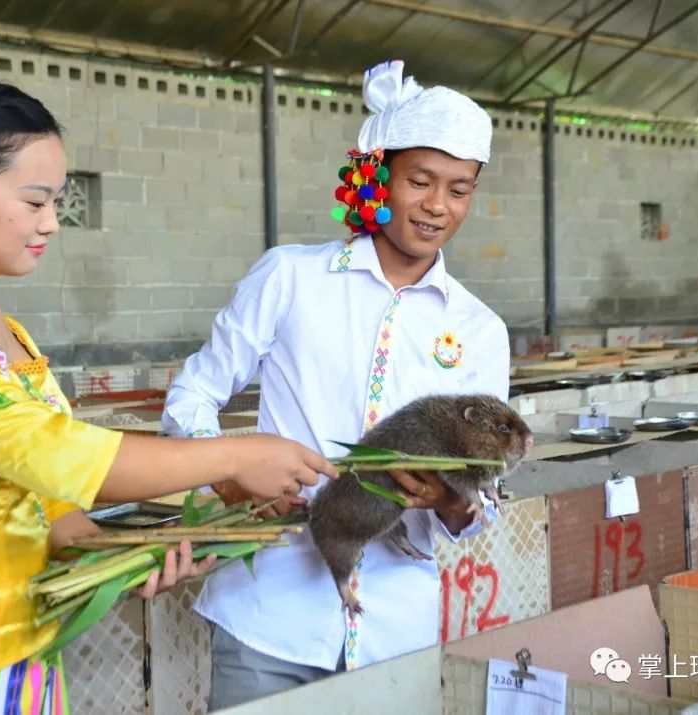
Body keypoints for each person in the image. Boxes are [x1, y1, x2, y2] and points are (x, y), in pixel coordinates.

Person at [0, 81, 338, 714]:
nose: (51, 222)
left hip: (28, 662)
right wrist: (234, 456)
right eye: (34, 201)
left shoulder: (1, 330)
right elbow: (61, 457)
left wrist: (133, 556)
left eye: (57, 202)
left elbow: (50, 508)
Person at [161, 59, 512, 710]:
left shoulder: (479, 330)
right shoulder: (290, 278)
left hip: (395, 632)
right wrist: (227, 476)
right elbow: (190, 397)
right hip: (270, 619)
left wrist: (451, 498)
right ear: (379, 175)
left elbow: (481, 492)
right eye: (421, 181)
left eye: (459, 189)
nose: (438, 205)